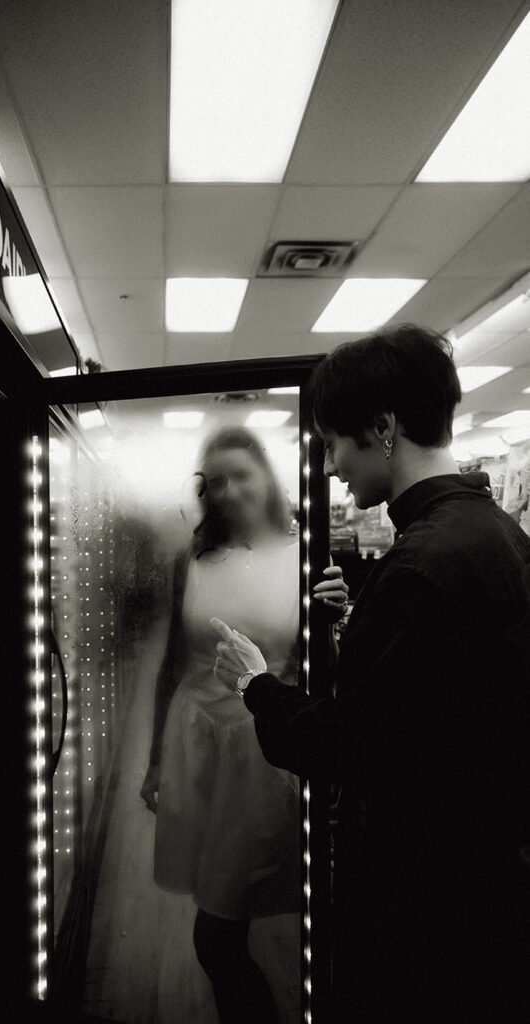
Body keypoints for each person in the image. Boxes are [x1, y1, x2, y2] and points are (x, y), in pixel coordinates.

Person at [213, 324, 530, 1024]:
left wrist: (258, 685)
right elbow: (443, 710)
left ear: (383, 427)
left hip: (420, 906)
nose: (329, 467)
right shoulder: (498, 537)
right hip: (482, 889)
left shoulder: (420, 565)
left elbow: (355, 748)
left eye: (333, 443)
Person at [140, 425, 348, 1024]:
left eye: (242, 475)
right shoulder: (195, 558)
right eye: (217, 480)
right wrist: (156, 756)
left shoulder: (306, 554)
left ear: (268, 480)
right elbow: (173, 663)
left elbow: (321, 672)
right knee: (219, 905)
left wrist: (332, 618)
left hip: (262, 744)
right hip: (194, 741)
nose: (229, 490)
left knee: (220, 927)